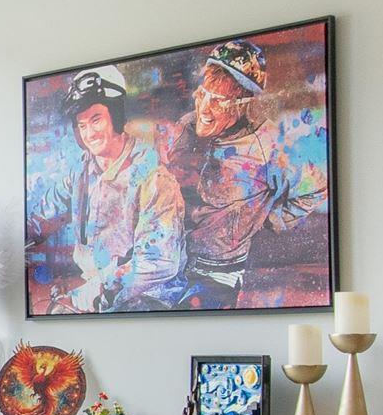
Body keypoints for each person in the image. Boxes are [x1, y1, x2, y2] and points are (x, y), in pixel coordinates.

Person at [177, 39, 324, 309]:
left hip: (218, 274)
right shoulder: (184, 128)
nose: (205, 109)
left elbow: (317, 188)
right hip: (171, 264)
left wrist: (270, 221)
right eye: (203, 94)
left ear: (243, 104)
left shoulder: (269, 147)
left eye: (219, 101)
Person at [57, 66, 188, 312]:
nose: (89, 133)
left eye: (96, 120)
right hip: (93, 293)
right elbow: (45, 212)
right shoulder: (82, 170)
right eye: (82, 125)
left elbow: (157, 261)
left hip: (148, 298)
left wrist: (98, 290)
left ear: (117, 116)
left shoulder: (154, 178)